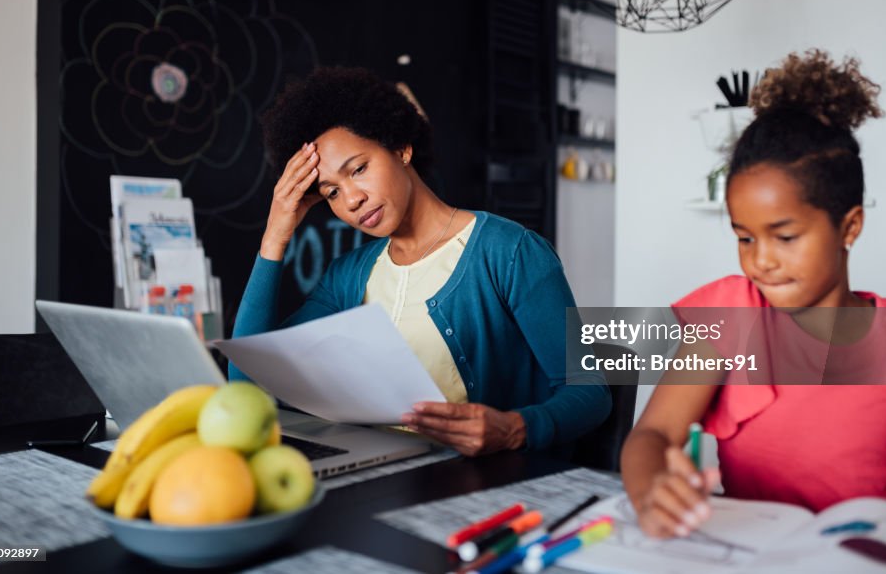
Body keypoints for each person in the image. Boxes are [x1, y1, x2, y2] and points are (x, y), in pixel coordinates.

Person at [620, 50, 886, 541]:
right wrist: (651, 485)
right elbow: (653, 435)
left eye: (784, 237)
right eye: (744, 237)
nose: (760, 259)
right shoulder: (729, 315)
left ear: (849, 226)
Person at [230, 66, 610, 455]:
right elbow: (246, 383)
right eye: (331, 192)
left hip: (483, 487)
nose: (351, 199)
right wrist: (276, 232)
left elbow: (591, 390)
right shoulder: (347, 277)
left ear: (401, 149)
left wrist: (515, 428)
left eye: (359, 169)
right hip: (380, 481)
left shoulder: (510, 253)